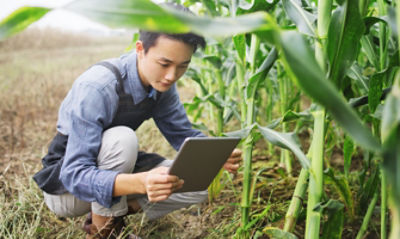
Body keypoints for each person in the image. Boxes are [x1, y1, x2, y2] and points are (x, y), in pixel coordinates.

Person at [33, 3, 242, 238]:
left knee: (198, 182)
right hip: (66, 191)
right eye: (164, 64)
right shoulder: (97, 87)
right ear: (140, 49)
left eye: (183, 66)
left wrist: (212, 155)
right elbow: (74, 174)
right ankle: (104, 231)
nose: (172, 76)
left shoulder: (162, 85)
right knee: (121, 139)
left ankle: (116, 212)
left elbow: (182, 135)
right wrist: (140, 183)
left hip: (110, 168)